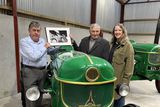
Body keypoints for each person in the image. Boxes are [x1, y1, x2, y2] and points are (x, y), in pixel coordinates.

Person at [20, 21, 51, 107]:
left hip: (42, 72)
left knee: (40, 95)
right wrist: (45, 47)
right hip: (30, 72)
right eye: (34, 30)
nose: (36, 33)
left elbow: (49, 51)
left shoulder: (42, 41)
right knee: (31, 97)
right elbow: (34, 57)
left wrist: (60, 44)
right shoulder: (24, 42)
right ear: (29, 31)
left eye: (38, 30)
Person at [108, 23, 134, 107]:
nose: (117, 32)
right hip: (110, 78)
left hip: (119, 81)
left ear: (123, 32)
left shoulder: (128, 46)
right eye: (115, 30)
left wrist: (124, 84)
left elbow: (129, 67)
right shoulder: (112, 43)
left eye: (119, 30)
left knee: (119, 101)